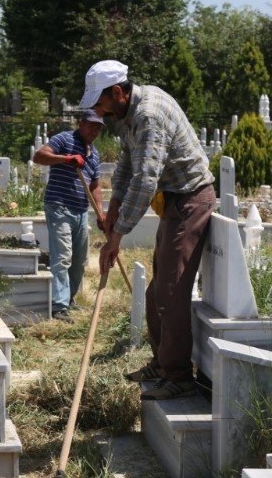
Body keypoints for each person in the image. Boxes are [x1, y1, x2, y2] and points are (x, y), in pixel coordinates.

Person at [80, 59, 215, 400]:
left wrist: (116, 237)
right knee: (156, 293)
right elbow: (126, 165)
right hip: (173, 201)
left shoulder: (149, 115)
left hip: (190, 200)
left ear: (117, 92)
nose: (100, 113)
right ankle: (162, 363)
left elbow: (145, 181)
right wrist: (112, 212)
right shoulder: (129, 113)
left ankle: (180, 376)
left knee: (171, 292)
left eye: (101, 104)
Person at [32, 110, 105, 323]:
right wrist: (66, 159)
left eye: (98, 127)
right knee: (62, 257)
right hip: (60, 206)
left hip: (81, 211)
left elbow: (95, 186)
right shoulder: (64, 139)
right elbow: (39, 156)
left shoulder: (94, 154)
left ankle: (69, 298)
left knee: (80, 261)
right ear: (80, 123)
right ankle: (58, 305)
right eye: (91, 125)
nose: (94, 130)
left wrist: (100, 213)